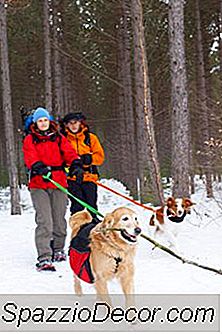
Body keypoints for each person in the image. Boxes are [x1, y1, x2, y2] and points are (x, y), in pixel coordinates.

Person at [23, 107, 80, 271]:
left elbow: (68, 152)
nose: (43, 123)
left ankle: (58, 249)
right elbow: (30, 156)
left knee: (59, 219)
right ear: (35, 123)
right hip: (39, 183)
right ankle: (44, 256)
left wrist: (75, 162)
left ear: (49, 121)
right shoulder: (30, 139)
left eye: (45, 120)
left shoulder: (58, 138)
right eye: (40, 121)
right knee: (45, 221)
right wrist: (37, 166)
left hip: (59, 182)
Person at [61, 112, 105, 218]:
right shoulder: (63, 139)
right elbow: (60, 157)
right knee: (77, 206)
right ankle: (77, 229)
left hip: (89, 177)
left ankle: (93, 228)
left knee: (91, 205)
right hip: (72, 178)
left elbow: (100, 158)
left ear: (80, 123)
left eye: (75, 122)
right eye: (70, 123)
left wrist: (89, 159)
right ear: (66, 125)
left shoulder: (90, 138)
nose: (73, 126)